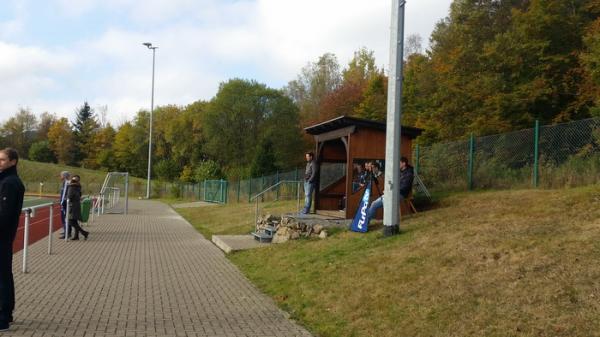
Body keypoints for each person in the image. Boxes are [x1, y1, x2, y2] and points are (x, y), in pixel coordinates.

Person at [0, 148, 25, 331]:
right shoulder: (6, 180)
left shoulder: (10, 182)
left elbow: (5, 215)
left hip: (2, 237)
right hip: (4, 236)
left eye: (2, 160)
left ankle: (3, 317)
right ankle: (6, 313)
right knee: (4, 276)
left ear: (13, 161)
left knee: (2, 277)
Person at [367, 157, 414, 222]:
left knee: (385, 202)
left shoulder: (409, 174)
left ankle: (388, 220)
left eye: (399, 163)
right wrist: (388, 188)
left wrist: (390, 191)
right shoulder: (399, 172)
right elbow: (392, 183)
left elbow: (404, 187)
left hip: (401, 194)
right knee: (373, 204)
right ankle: (366, 223)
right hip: (392, 193)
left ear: (404, 164)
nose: (397, 164)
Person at [66, 175, 89, 241]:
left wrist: (66, 199)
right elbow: (79, 195)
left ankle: (84, 233)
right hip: (77, 205)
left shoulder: (71, 187)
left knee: (70, 221)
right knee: (75, 221)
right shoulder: (78, 187)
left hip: (72, 206)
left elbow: (69, 196)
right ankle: (76, 236)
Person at [58, 171, 71, 239]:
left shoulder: (68, 183)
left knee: (66, 218)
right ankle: (65, 230)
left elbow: (67, 193)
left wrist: (64, 200)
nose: (60, 177)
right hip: (63, 202)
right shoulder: (64, 183)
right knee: (63, 218)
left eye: (61, 175)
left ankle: (67, 233)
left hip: (66, 203)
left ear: (65, 176)